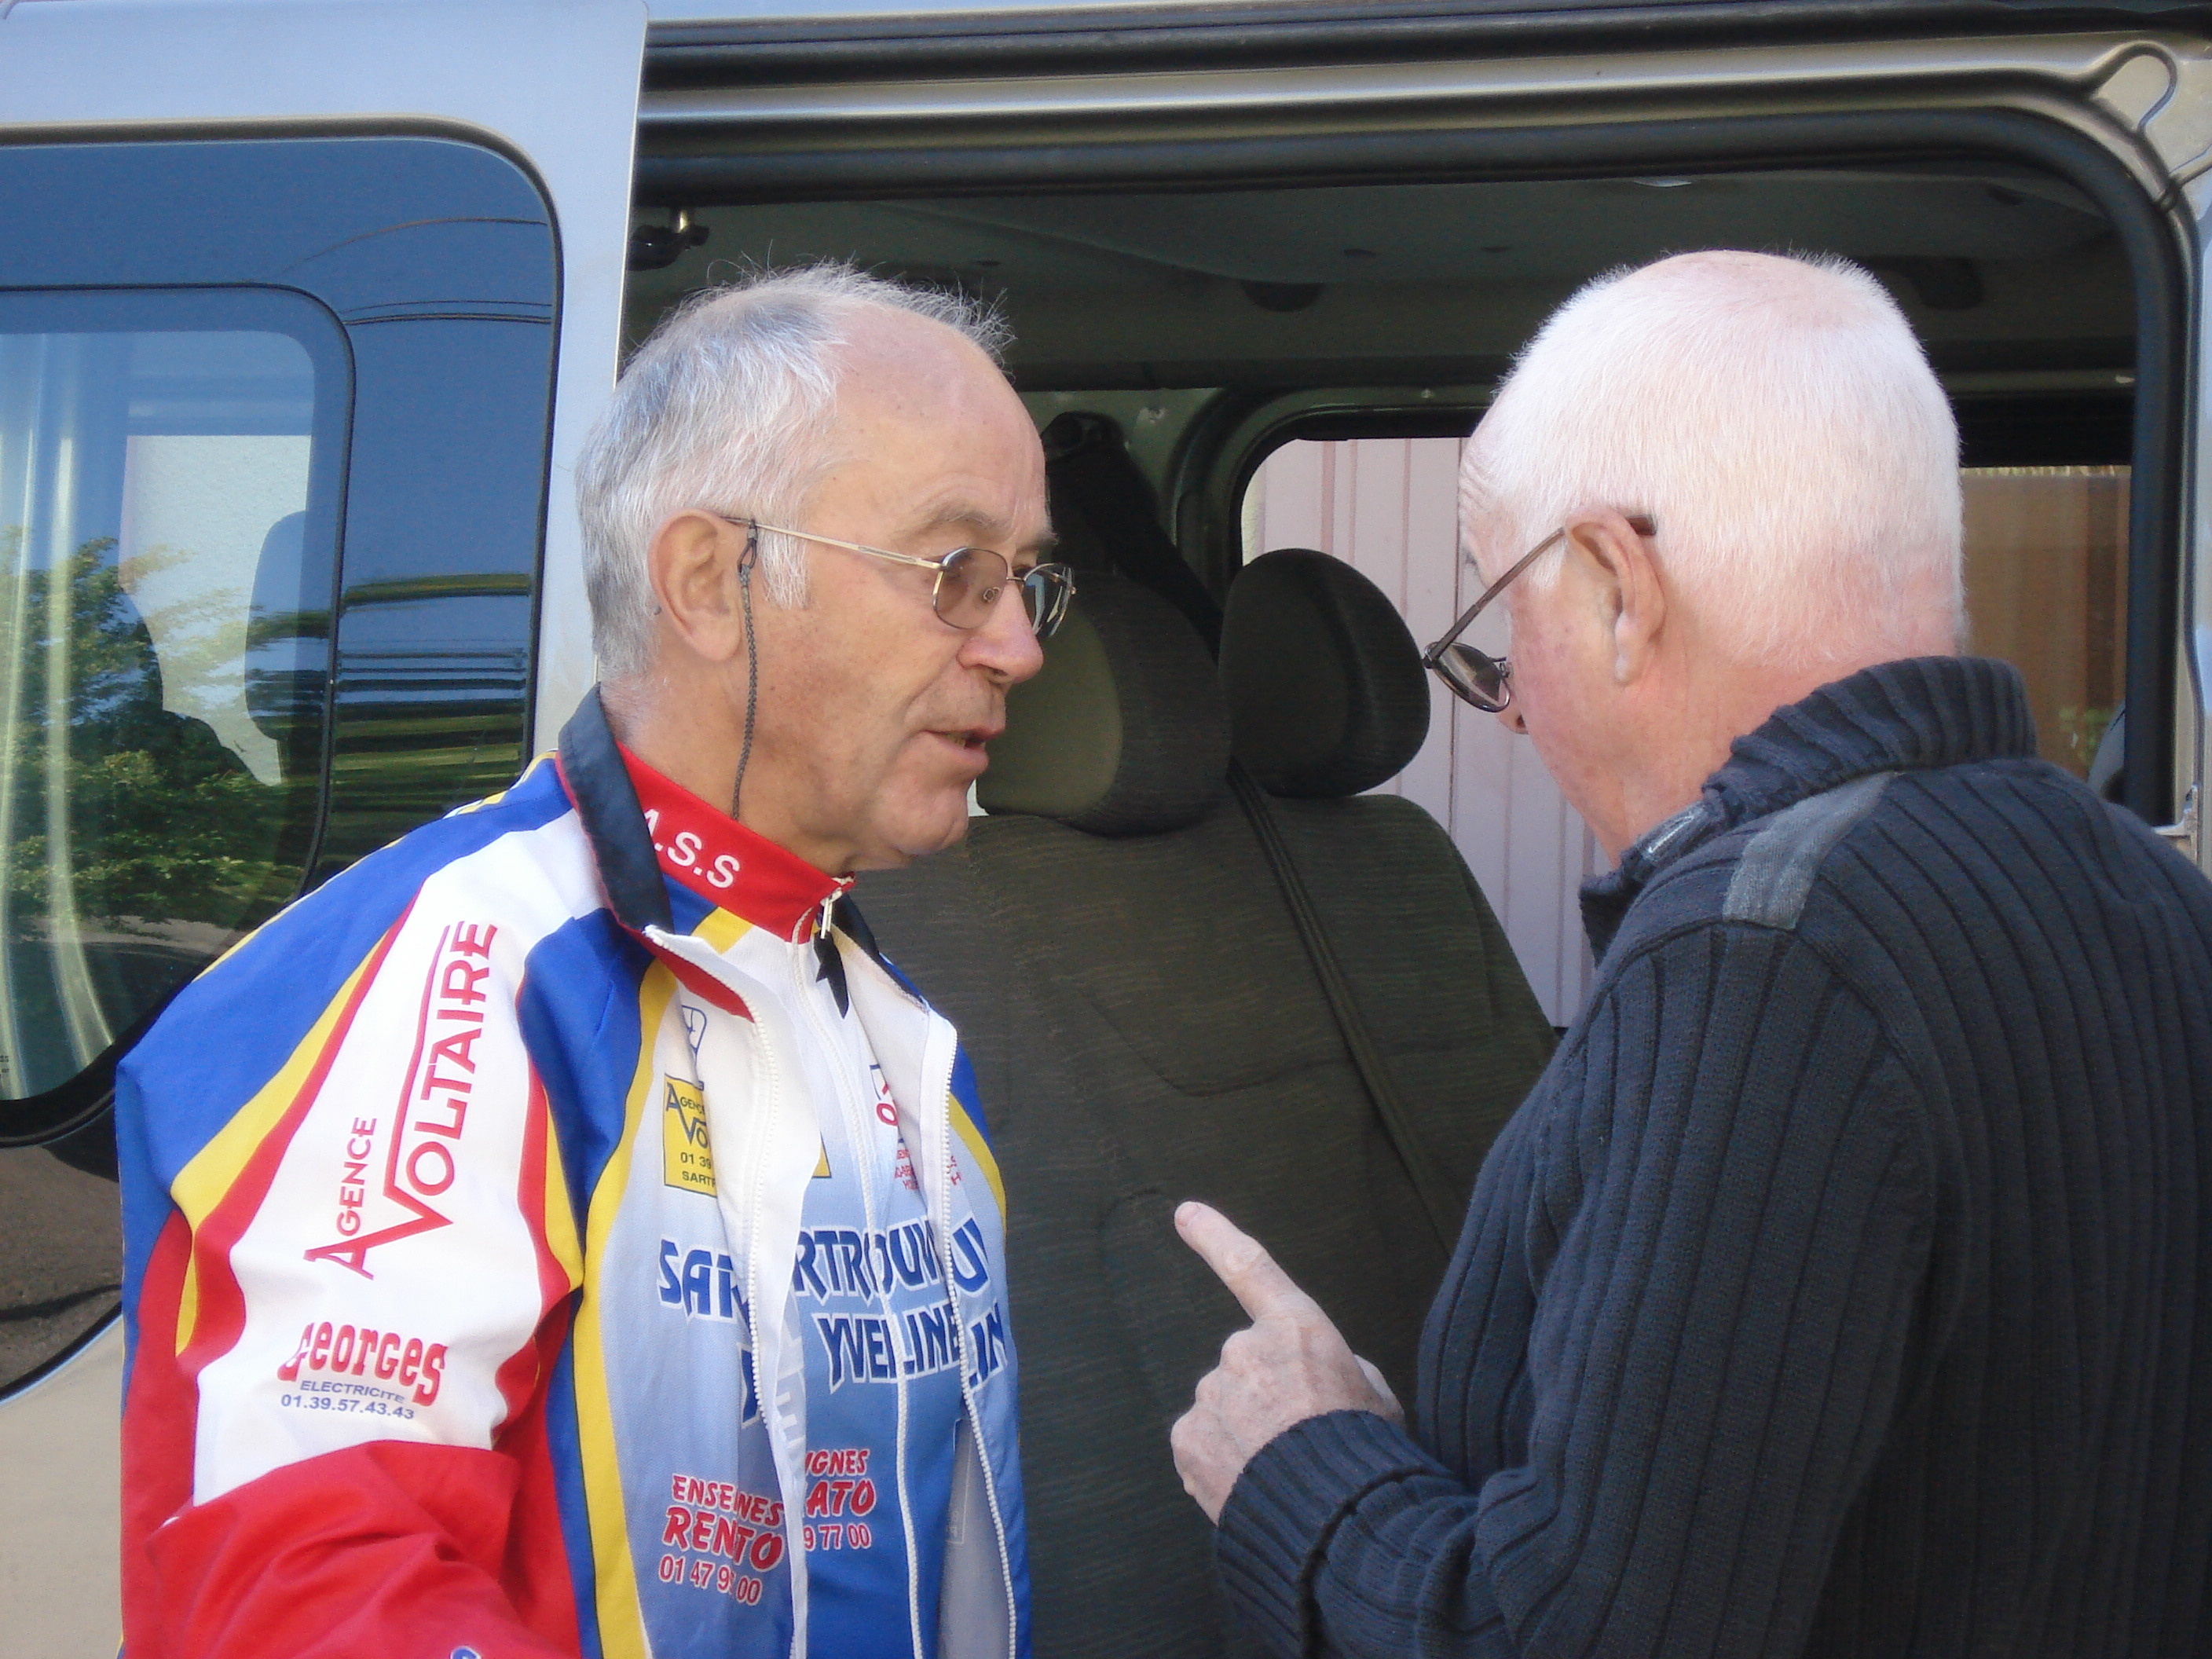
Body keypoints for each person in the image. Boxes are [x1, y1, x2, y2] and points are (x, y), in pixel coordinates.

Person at [1170, 250, 2212, 1657]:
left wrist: (1300, 1466)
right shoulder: (2150, 893)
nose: (1514, 709)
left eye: (1501, 630)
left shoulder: (1761, 960)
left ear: (1617, 583)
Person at [115, 265, 1070, 1659]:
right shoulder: (464, 979)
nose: (1017, 646)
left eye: (1027, 581)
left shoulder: (877, 1010)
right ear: (709, 580)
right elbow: (306, 1583)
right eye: (956, 574)